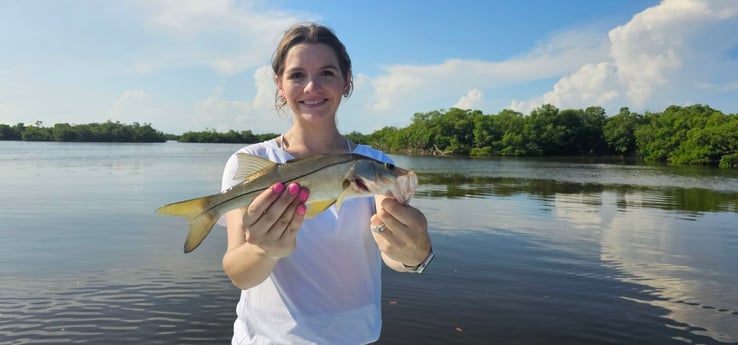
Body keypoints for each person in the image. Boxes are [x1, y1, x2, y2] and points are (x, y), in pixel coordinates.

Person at [219, 23, 434, 345]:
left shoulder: (372, 161)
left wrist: (414, 254)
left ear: (347, 81)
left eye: (327, 73)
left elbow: (392, 253)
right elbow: (240, 274)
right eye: (296, 75)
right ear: (279, 84)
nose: (311, 87)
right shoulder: (249, 161)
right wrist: (263, 249)